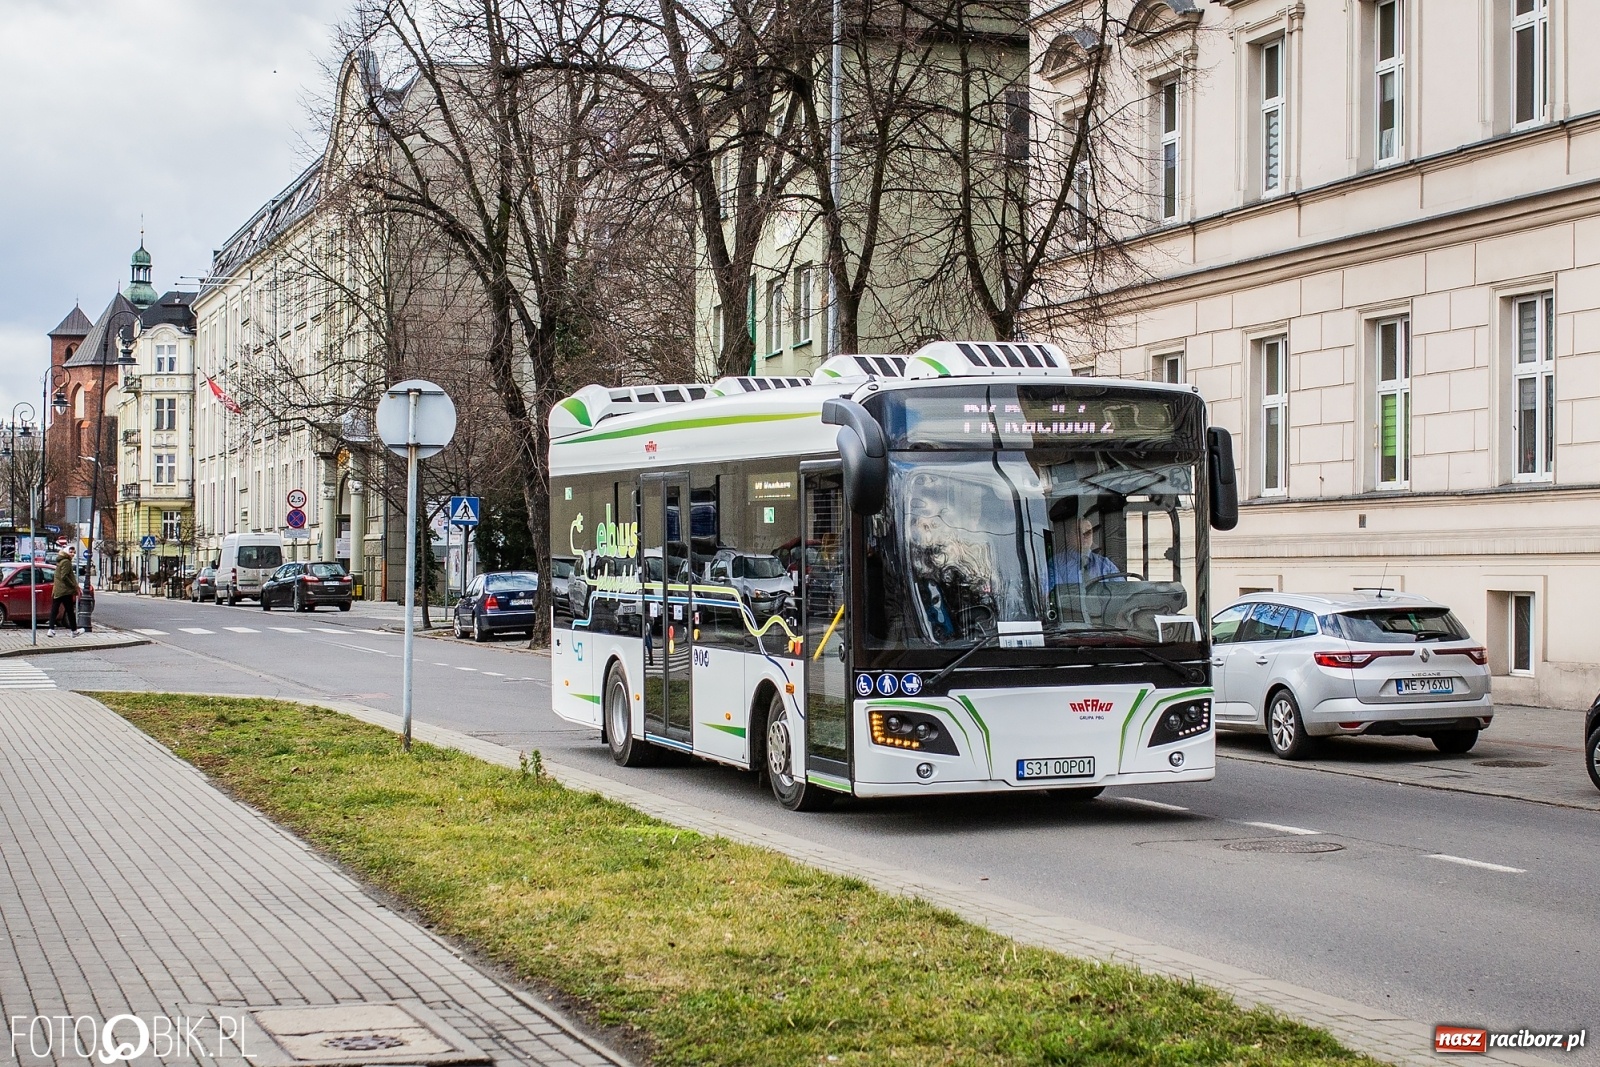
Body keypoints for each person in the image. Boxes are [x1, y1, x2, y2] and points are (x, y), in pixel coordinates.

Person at [1050, 515, 1119, 587]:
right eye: (1078, 532)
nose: (1084, 536)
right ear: (1068, 536)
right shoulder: (1056, 564)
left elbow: (1121, 591)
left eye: (1088, 532)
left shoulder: (1106, 565)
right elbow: (1051, 594)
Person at [49, 549, 81, 638]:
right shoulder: (66, 562)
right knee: (70, 611)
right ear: (66, 552)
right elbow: (64, 576)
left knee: (54, 610)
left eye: (74, 552)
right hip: (65, 590)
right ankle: (74, 631)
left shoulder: (59, 562)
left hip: (58, 590)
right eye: (71, 552)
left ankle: (51, 629)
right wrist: (73, 586)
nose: (73, 554)